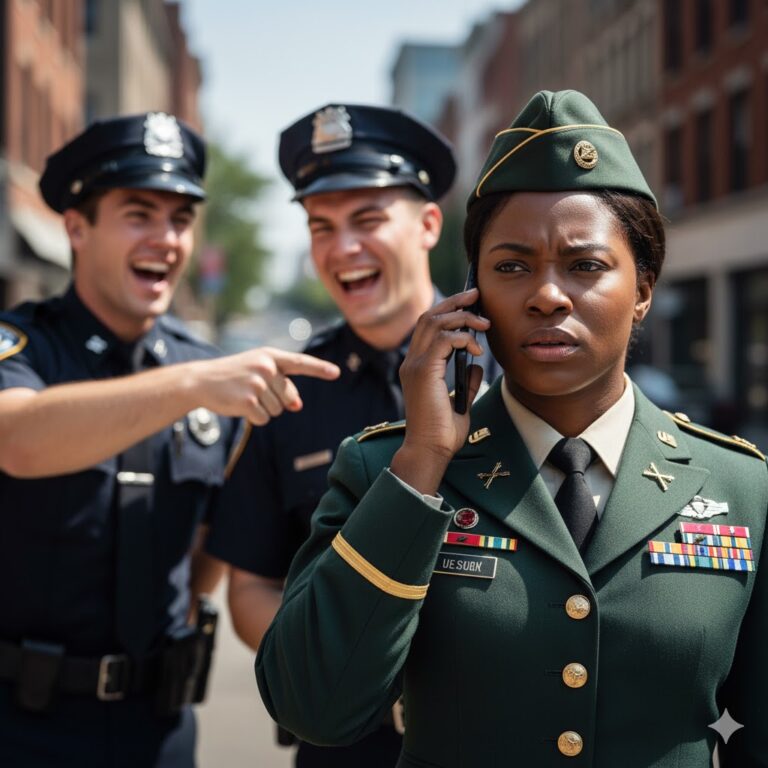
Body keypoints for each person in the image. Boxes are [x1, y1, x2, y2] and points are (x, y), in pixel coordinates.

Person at [254, 90, 768, 767]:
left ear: (643, 287)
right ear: (472, 293)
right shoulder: (389, 469)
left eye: (585, 265)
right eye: (512, 266)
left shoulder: (740, 485)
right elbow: (312, 706)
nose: (547, 294)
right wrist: (423, 460)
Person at [0, 112, 339, 768]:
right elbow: (16, 438)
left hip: (158, 729)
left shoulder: (200, 369)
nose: (166, 239)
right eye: (138, 213)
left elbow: (210, 542)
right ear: (76, 228)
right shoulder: (25, 344)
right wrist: (186, 386)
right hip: (20, 725)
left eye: (181, 219)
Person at [206, 103, 499, 767]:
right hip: (346, 745)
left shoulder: (509, 363)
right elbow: (250, 586)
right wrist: (331, 658)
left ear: (429, 224)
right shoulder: (290, 392)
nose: (342, 249)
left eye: (367, 220)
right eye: (321, 227)